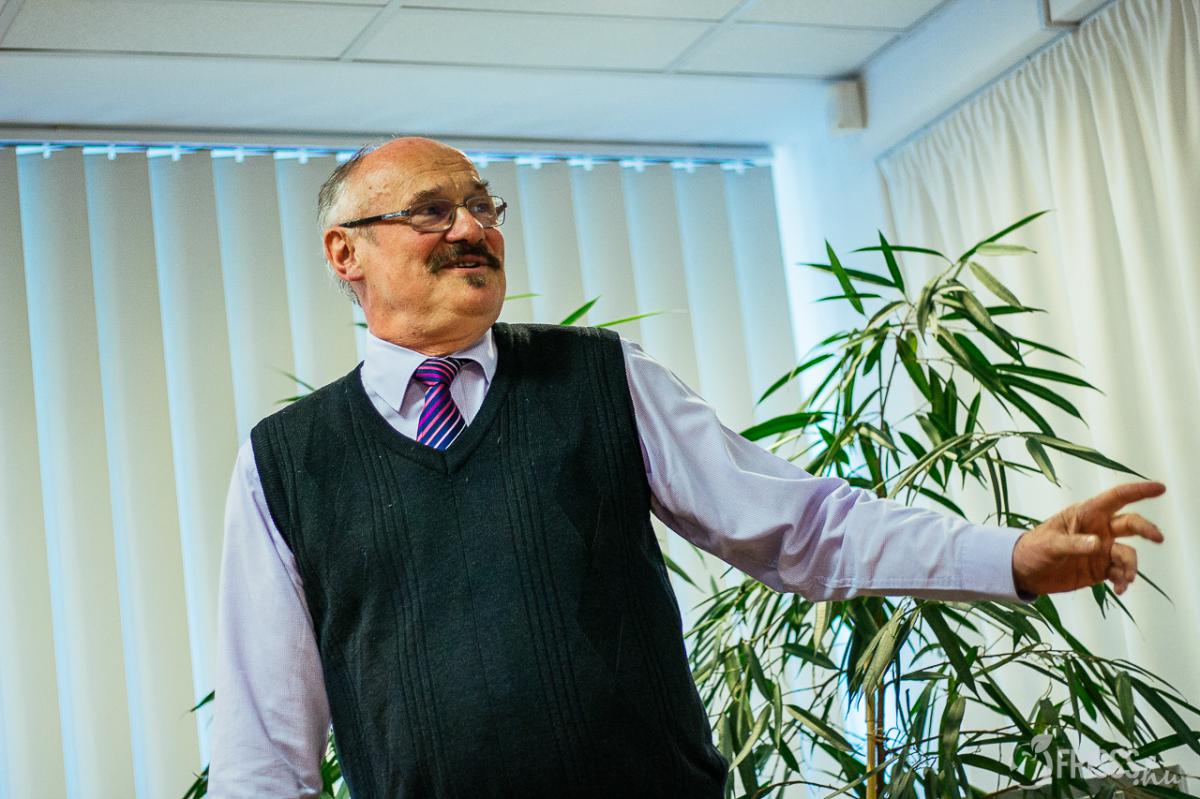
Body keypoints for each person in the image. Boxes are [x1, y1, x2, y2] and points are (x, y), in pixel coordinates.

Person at [207, 137, 1167, 798]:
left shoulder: (600, 377)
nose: (471, 228)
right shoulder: (284, 462)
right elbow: (266, 744)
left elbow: (804, 527)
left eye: (483, 205)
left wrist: (1010, 558)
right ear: (346, 252)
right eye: (431, 210)